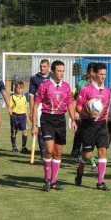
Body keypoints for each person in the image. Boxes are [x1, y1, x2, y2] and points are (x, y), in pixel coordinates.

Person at [31, 60, 77, 191]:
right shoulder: (44, 85)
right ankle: (46, 179)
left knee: (58, 152)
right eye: (59, 71)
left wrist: (73, 119)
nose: (62, 73)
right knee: (49, 150)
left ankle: (54, 181)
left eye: (63, 71)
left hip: (60, 120)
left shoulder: (67, 87)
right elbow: (35, 106)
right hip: (47, 119)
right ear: (52, 72)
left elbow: (69, 104)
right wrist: (34, 125)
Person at [74, 62, 111, 191]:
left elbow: (106, 111)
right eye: (101, 74)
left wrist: (105, 126)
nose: (103, 77)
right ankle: (80, 171)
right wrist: (87, 114)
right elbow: (78, 108)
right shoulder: (86, 89)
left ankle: (100, 182)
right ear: (94, 73)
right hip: (88, 124)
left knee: (102, 152)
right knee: (87, 155)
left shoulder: (107, 91)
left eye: (105, 74)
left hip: (101, 125)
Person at [71, 62, 98, 172]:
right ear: (89, 72)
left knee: (92, 140)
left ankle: (80, 155)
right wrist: (75, 114)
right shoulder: (81, 84)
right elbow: (75, 100)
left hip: (95, 117)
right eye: (92, 71)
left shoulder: (98, 85)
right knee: (86, 140)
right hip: (83, 116)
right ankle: (92, 164)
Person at [29, 59, 51, 160]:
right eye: (41, 66)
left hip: (51, 106)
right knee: (40, 129)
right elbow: (32, 96)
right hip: (39, 106)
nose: (42, 68)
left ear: (48, 66)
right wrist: (31, 110)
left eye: (44, 66)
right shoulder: (34, 79)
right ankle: (43, 151)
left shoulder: (52, 77)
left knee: (50, 129)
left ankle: (49, 149)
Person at [10, 81, 29, 153]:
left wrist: (27, 117)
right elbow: (10, 107)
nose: (19, 90)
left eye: (21, 88)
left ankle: (24, 147)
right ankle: (14, 147)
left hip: (23, 116)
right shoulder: (12, 97)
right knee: (14, 132)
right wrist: (11, 116)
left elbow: (25, 108)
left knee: (25, 131)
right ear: (15, 88)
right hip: (15, 116)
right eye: (18, 88)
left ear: (22, 89)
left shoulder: (24, 97)